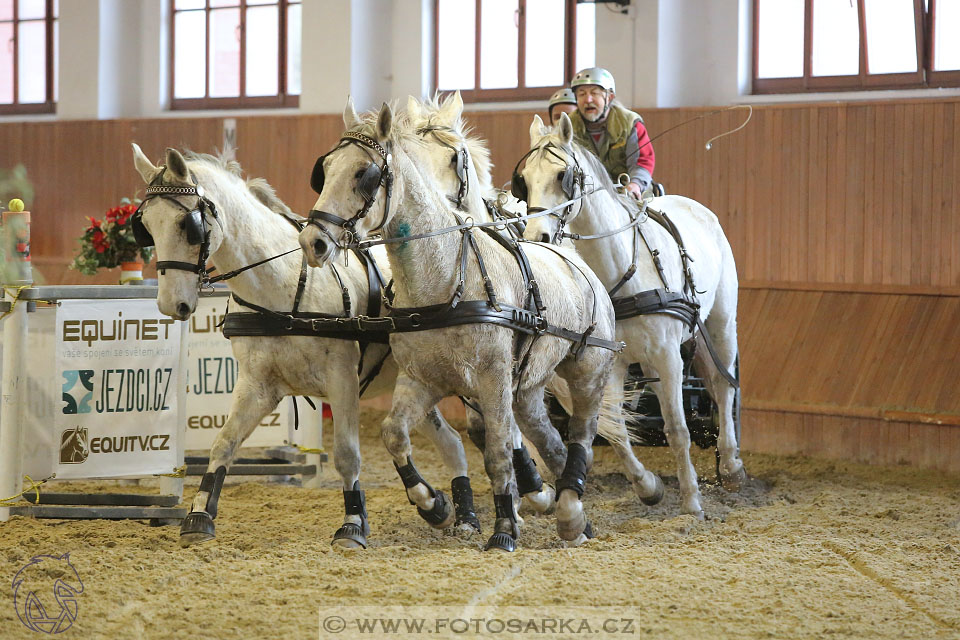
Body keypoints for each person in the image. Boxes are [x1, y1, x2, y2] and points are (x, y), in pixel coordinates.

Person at [568, 67, 655, 199]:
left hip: (626, 193)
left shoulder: (629, 123)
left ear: (609, 97)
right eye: (581, 94)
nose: (588, 100)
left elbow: (642, 161)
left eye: (594, 93)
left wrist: (635, 184)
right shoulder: (568, 126)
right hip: (586, 198)